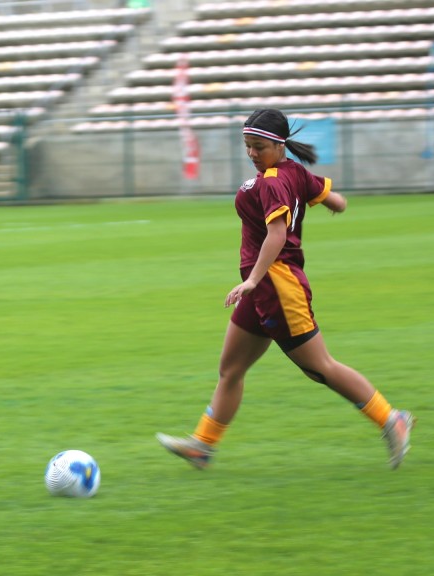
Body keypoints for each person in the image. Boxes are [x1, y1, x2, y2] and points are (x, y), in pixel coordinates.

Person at [156, 109, 414, 469]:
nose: (251, 154)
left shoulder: (274, 182)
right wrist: (328, 203)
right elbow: (337, 201)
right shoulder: (293, 171)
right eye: (247, 146)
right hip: (263, 289)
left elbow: (277, 235)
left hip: (276, 286)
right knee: (230, 369)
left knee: (319, 367)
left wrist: (252, 280)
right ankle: (203, 446)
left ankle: (391, 419)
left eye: (258, 147)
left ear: (278, 145)